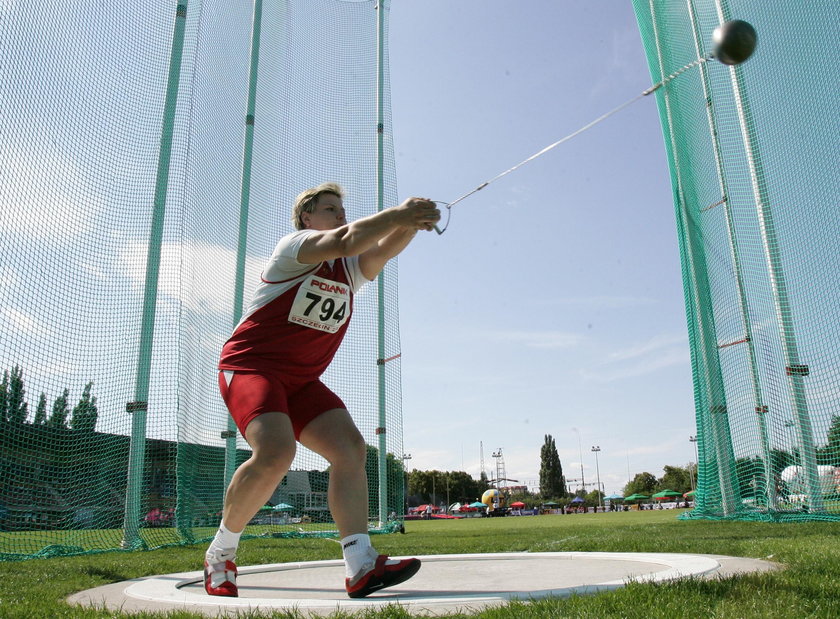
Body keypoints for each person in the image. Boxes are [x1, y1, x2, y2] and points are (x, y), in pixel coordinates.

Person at [203, 183, 440, 599]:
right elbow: (346, 239)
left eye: (343, 209)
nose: (341, 215)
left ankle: (361, 564)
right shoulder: (294, 248)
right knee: (276, 452)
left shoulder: (348, 270)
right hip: (251, 366)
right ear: (307, 219)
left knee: (351, 450)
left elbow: (381, 248)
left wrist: (413, 224)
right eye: (330, 209)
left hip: (301, 380)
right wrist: (401, 214)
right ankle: (220, 554)